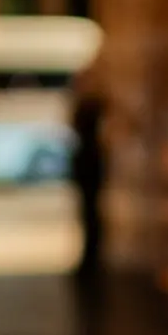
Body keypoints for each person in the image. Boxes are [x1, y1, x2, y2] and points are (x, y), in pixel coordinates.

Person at [69, 48, 108, 281]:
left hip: (90, 157)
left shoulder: (95, 101)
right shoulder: (92, 101)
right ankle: (90, 258)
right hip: (88, 157)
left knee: (90, 211)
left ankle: (91, 259)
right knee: (88, 210)